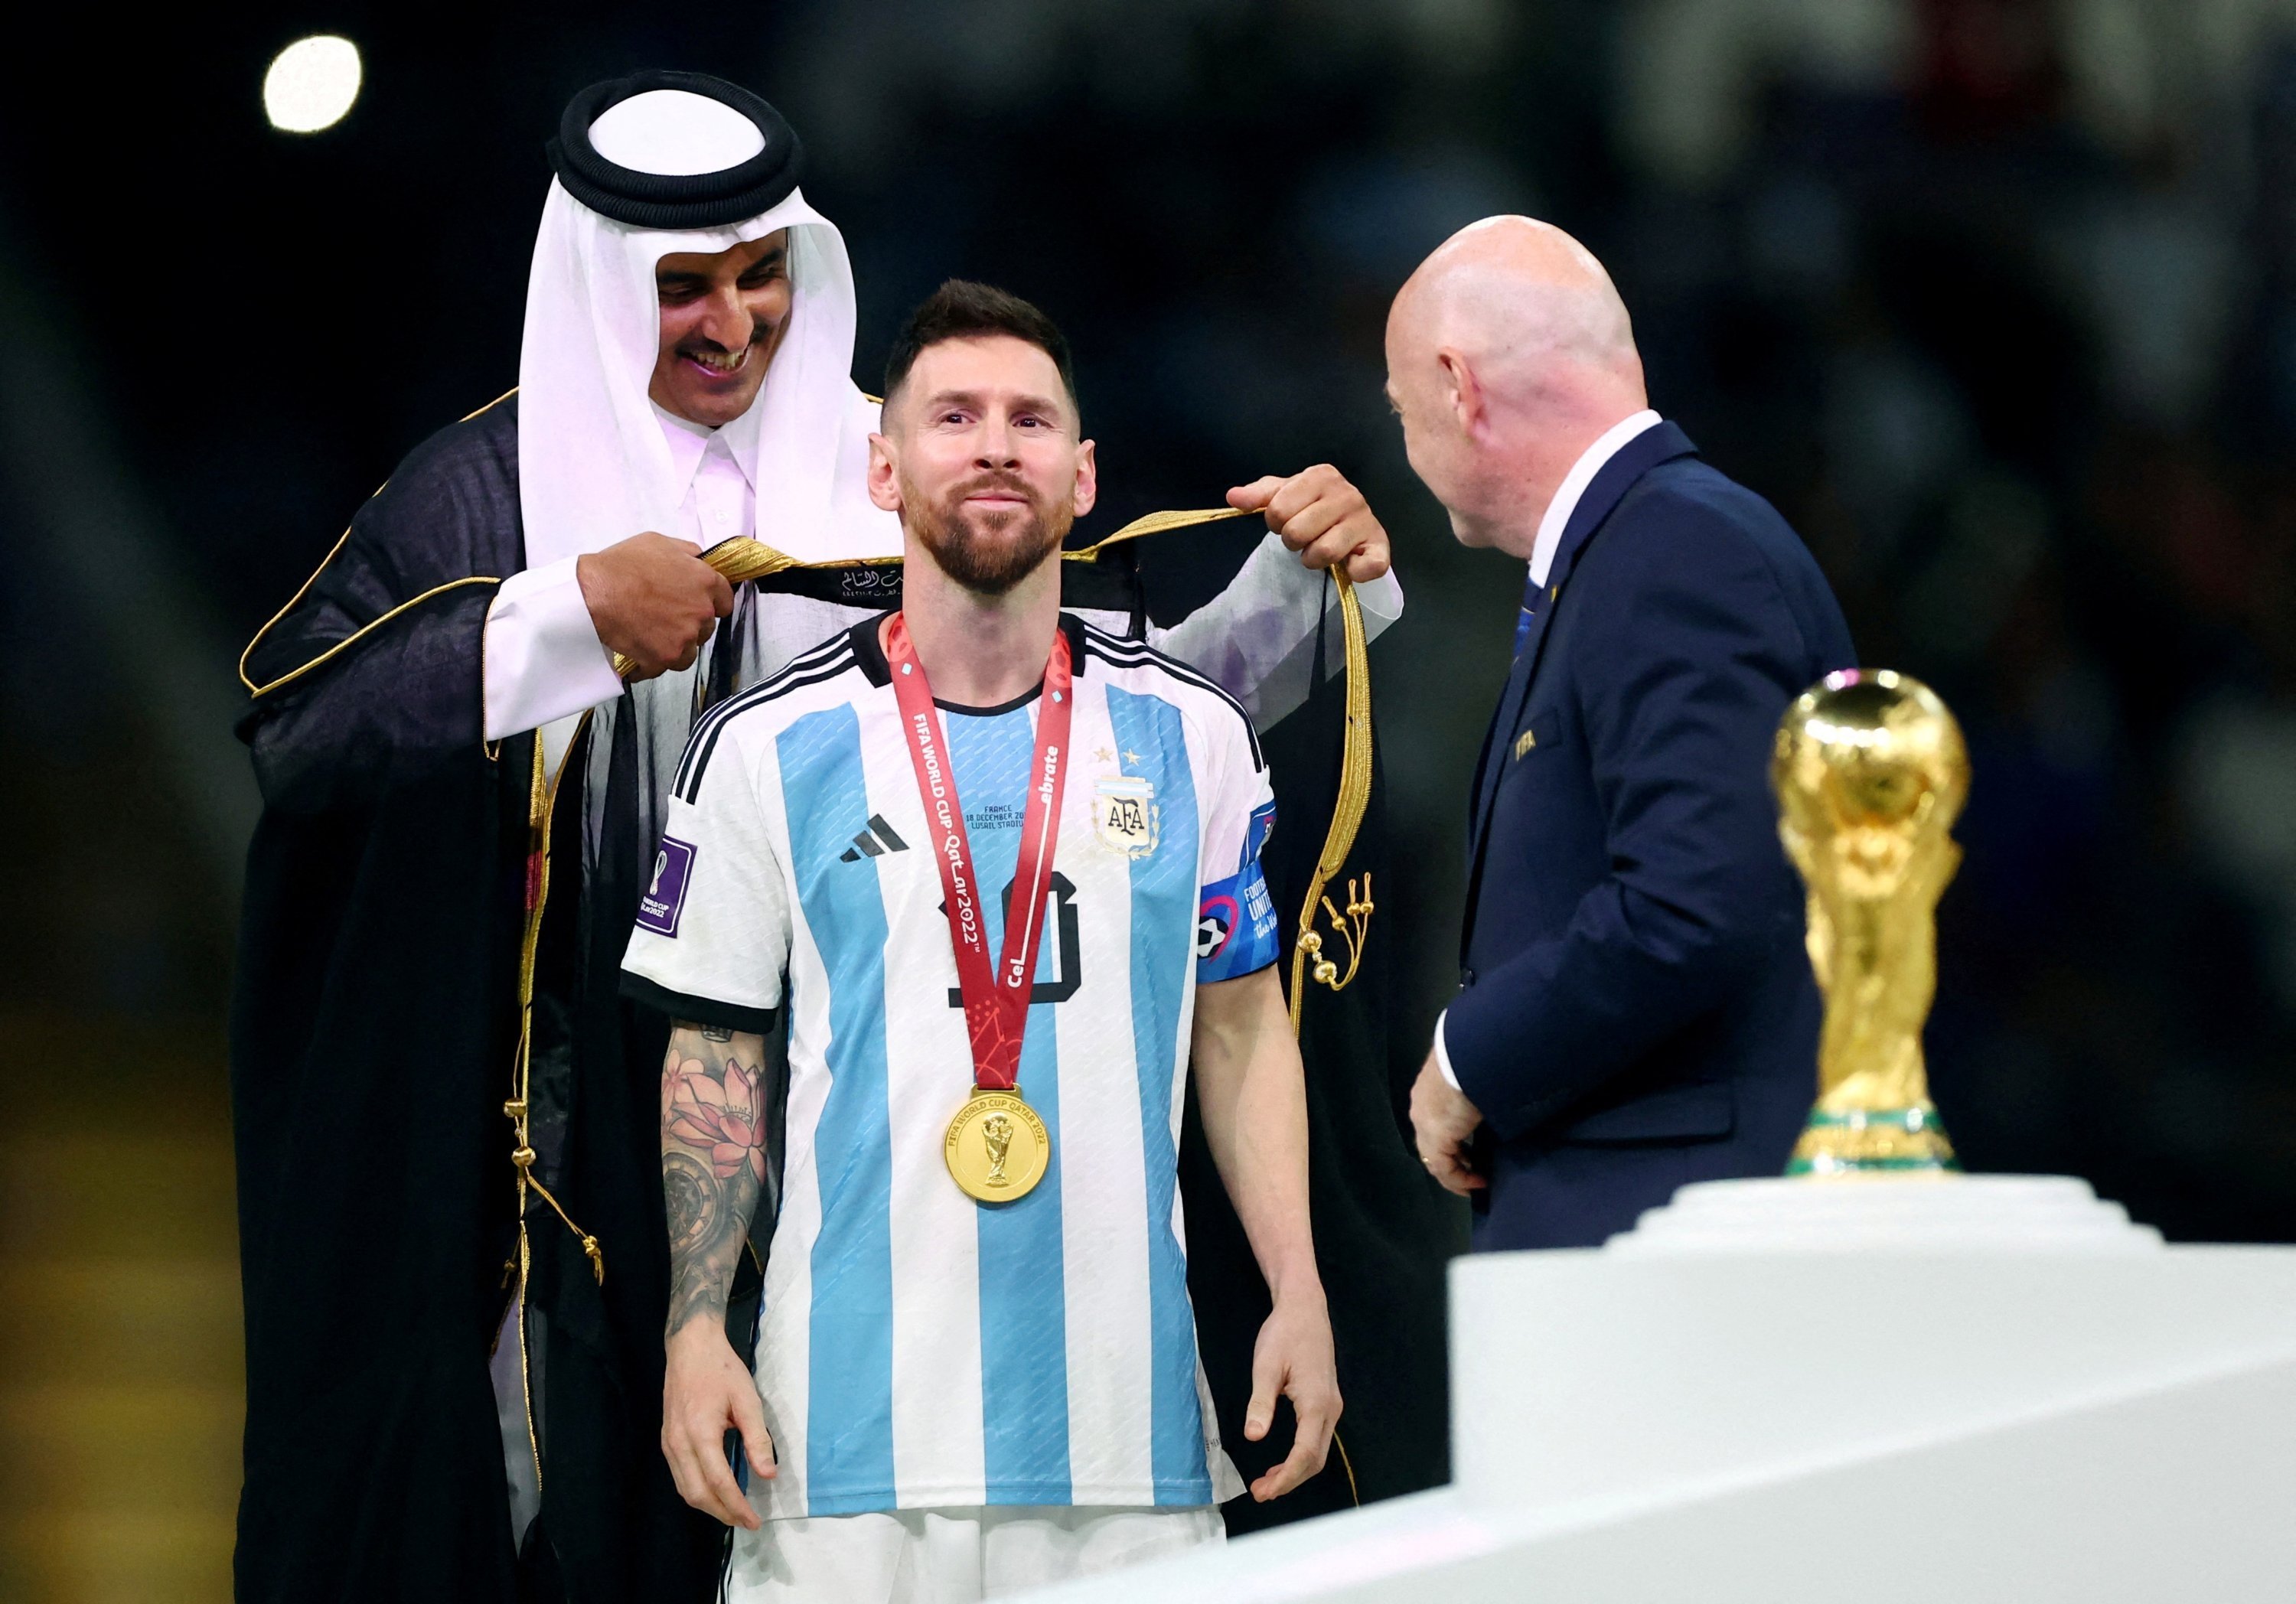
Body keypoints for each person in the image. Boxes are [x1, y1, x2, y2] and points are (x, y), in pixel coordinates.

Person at [230, 73, 1394, 1603]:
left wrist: (1308, 596)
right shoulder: (482, 502)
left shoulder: (896, 462)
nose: (731, 322)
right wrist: (568, 616)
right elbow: (299, 730)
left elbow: (1104, 729)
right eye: (681, 288)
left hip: (893, 1165)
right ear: (595, 280)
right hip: (580, 1185)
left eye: (759, 274)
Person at [621, 281, 1341, 1602]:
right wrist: (692, 1329)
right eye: (954, 417)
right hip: (832, 1447)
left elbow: (1242, 1029)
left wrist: (1298, 1290)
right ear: (886, 470)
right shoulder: (763, 748)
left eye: (1029, 418)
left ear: (1082, 475)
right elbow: (714, 1051)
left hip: (1127, 1451)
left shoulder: (1195, 737)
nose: (995, 444)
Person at [1387, 217, 1856, 1250]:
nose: (1407, 441)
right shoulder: (1639, 553)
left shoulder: (1675, 551)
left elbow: (1697, 900)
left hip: (1677, 1246)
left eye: (1401, 405)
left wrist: (1472, 1056)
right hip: (1651, 1242)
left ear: (1458, 385)